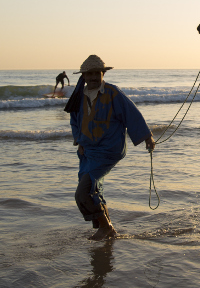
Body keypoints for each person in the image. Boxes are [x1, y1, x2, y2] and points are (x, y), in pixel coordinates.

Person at [65, 55, 155, 240]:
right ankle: (107, 228)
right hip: (88, 151)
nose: (93, 77)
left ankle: (106, 228)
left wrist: (147, 137)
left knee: (82, 192)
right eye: (89, 74)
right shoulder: (78, 96)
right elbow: (75, 121)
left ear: (103, 74)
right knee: (94, 189)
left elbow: (132, 114)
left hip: (109, 149)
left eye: (96, 73)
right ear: (83, 76)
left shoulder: (113, 93)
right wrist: (79, 141)